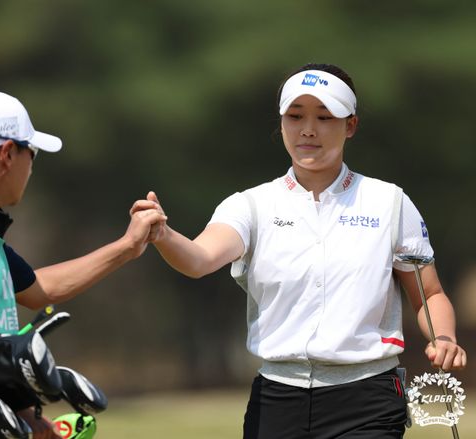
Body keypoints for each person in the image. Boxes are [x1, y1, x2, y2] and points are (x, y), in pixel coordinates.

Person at [131, 63, 467, 438]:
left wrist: (443, 338)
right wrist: (164, 235)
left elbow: (428, 294)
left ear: (350, 125)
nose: (308, 129)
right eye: (295, 116)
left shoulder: (389, 203)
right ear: (281, 123)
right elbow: (199, 259)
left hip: (367, 398)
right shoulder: (250, 206)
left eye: (324, 117)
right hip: (276, 400)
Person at [0, 89, 167, 439]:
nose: (32, 165)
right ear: (7, 153)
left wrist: (128, 246)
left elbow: (38, 290)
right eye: (31, 152)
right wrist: (25, 387)